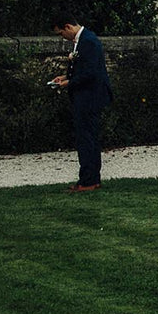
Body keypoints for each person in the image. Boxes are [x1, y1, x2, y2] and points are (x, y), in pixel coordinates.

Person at [49, 15, 113, 192]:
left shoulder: (89, 41)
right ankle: (89, 178)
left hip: (89, 97)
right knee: (86, 138)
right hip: (85, 96)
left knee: (87, 139)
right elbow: (83, 68)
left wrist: (69, 83)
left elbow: (91, 73)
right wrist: (66, 76)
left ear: (68, 26)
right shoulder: (83, 40)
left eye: (61, 33)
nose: (62, 37)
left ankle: (89, 180)